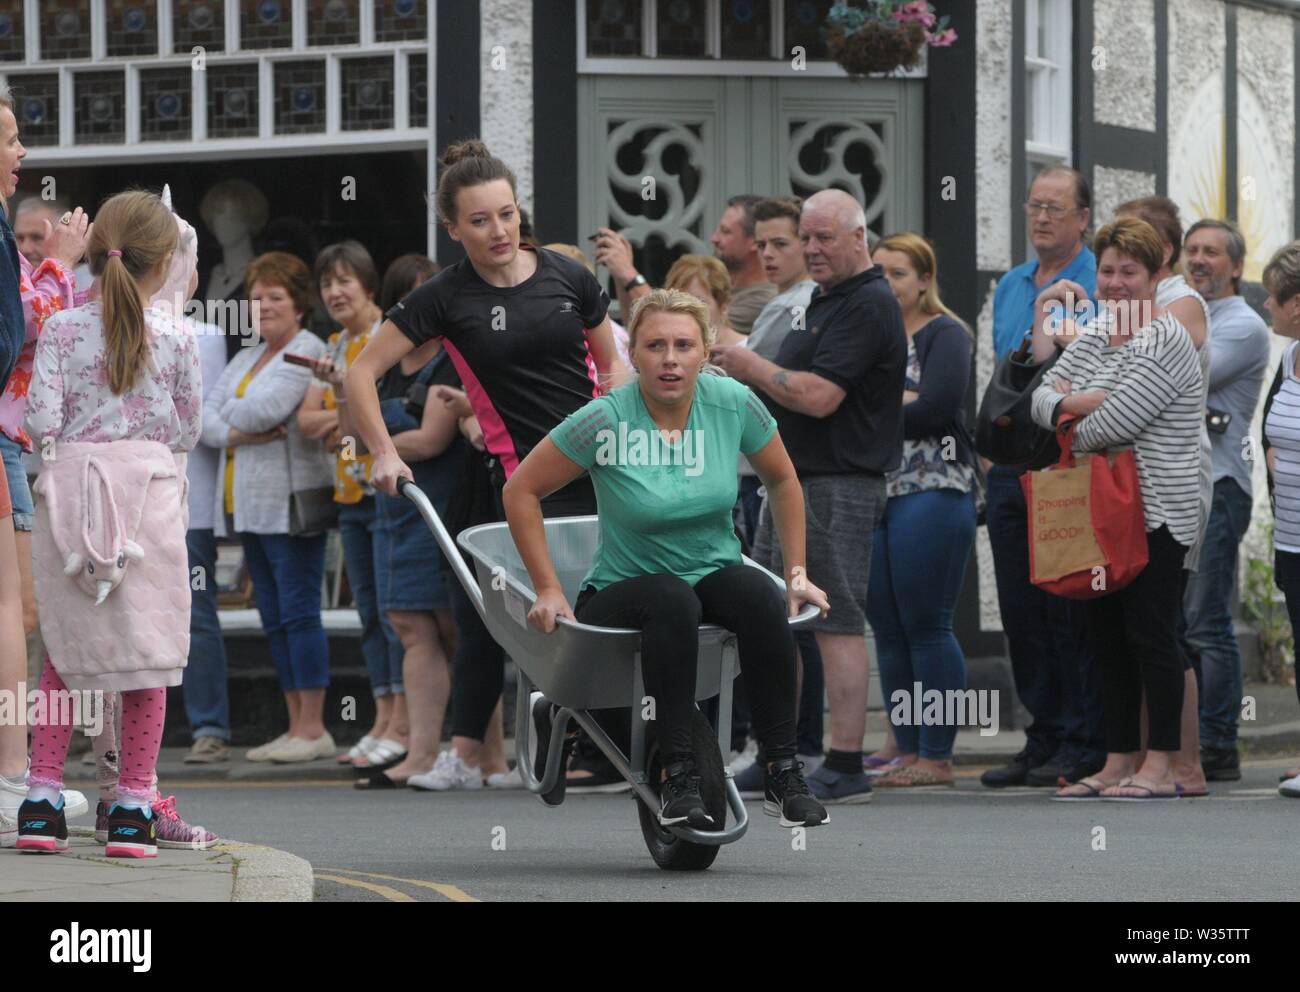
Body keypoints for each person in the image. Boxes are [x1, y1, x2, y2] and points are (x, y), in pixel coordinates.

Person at [345, 139, 621, 791]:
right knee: (562, 621)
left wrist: (626, 435)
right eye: (479, 220)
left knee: (628, 606)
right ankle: (568, 745)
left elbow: (613, 369)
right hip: (531, 484)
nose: (498, 231)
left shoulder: (568, 275)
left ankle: (637, 746)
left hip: (609, 471)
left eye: (507, 214)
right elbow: (362, 372)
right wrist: (384, 449)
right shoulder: (445, 298)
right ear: (452, 229)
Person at [503, 288, 831, 826]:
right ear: (635, 355)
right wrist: (547, 587)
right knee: (671, 599)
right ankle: (675, 775)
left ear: (706, 350)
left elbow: (783, 478)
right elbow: (521, 491)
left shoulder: (731, 403)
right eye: (655, 345)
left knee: (757, 594)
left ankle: (781, 769)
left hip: (709, 572)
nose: (670, 359)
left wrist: (796, 573)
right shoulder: (606, 417)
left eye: (684, 345)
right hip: (622, 587)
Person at [16, 189, 201, 856]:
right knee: (145, 660)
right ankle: (131, 809)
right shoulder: (178, 334)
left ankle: (39, 804)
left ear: (95, 257)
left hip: (70, 500)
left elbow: (40, 420)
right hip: (148, 499)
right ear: (164, 264)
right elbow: (189, 425)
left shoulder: (62, 329)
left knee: (64, 657)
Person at [712, 188, 907, 805]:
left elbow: (820, 397)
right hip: (795, 480)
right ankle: (781, 754)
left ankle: (845, 762)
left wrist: (750, 366)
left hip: (837, 481)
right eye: (808, 236)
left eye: (826, 237)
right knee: (778, 618)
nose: (813, 248)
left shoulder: (868, 304)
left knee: (833, 620)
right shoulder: (826, 299)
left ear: (859, 238)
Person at [1035, 218, 1204, 801]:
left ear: (1159, 275)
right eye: (1106, 270)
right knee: (1102, 635)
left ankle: (1160, 765)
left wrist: (1071, 414)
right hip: (1100, 510)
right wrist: (1079, 403)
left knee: (1151, 635)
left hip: (1159, 511)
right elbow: (1039, 394)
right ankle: (1115, 761)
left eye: (1129, 271)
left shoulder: (1164, 336)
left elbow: (1119, 422)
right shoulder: (1098, 328)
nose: (1114, 283)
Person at [981, 166, 1103, 789]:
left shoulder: (1098, 280)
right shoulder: (1011, 285)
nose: (1042, 218)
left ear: (1084, 217)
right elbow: (1006, 371)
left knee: (1066, 604)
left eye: (1056, 208)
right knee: (1021, 610)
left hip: (1066, 462)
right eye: (1035, 206)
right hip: (1011, 465)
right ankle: (1042, 735)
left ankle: (1083, 739)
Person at [0, 86, 91, 839]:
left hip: (15, 442)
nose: (21, 150)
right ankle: (15, 775)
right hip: (5, 439)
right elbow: (27, 330)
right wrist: (60, 264)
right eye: (8, 137)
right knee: (16, 609)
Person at [203, 251, 335, 764]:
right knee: (275, 617)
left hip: (290, 507)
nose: (262, 306)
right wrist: (241, 431)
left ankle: (314, 727)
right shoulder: (247, 355)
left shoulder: (308, 351)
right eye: (256, 297)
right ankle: (293, 725)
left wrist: (233, 425)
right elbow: (205, 419)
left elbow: (266, 408)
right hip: (249, 507)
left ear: (299, 304)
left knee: (300, 613)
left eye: (274, 297)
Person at [349, 254, 469, 789]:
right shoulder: (384, 364)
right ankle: (429, 753)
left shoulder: (453, 359)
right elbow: (348, 421)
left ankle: (445, 755)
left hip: (436, 506)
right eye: (411, 300)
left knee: (447, 629)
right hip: (390, 512)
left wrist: (376, 447)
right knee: (406, 624)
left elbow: (432, 440)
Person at [865, 232, 978, 787]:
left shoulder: (946, 333)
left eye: (899, 273)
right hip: (875, 491)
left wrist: (868, 407)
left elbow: (935, 408)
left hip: (934, 488)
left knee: (928, 625)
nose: (886, 283)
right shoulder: (869, 335)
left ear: (925, 280)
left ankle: (937, 754)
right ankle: (906, 750)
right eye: (878, 271)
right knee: (887, 627)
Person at [298, 241, 407, 772]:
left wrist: (338, 411)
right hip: (349, 494)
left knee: (396, 614)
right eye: (326, 284)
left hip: (385, 492)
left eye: (345, 280)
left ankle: (403, 723)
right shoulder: (337, 344)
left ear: (369, 284)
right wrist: (339, 403)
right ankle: (383, 717)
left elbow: (372, 423)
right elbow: (325, 426)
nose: (335, 292)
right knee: (368, 612)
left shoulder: (388, 338)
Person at [728, 195, 826, 787]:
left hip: (777, 472)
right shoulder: (779, 303)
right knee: (769, 615)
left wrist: (736, 362)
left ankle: (801, 746)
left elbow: (773, 380)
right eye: (760, 243)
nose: (768, 254)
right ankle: (769, 744)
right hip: (750, 476)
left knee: (795, 615)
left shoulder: (805, 303)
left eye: (780, 243)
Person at [1182, 219, 1270, 781]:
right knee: (1182, 622)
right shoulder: (1187, 314)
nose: (1198, 260)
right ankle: (1188, 738)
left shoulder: (1243, 325)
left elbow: (1180, 373)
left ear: (1236, 267)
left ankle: (1218, 743)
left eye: (1211, 252)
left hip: (1221, 485)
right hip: (1183, 486)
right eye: (1191, 250)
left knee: (1205, 621)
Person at [1260, 240, 1300, 800]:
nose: (1265, 306)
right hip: (1292, 535)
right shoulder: (1289, 359)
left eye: (1272, 298)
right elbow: (1272, 430)